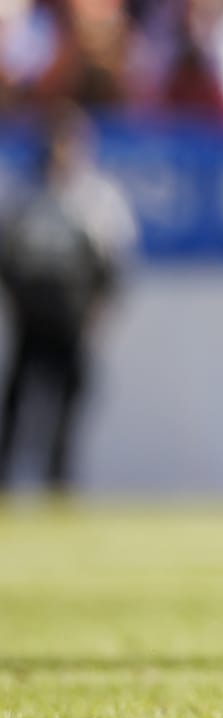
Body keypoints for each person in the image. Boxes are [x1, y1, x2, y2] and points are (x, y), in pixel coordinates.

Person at [0, 105, 137, 493]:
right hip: (30, 317)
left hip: (71, 319)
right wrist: (14, 302)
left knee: (69, 408)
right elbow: (7, 255)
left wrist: (97, 311)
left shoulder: (97, 198)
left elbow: (114, 265)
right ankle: (6, 482)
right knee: (17, 403)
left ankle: (58, 484)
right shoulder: (22, 193)